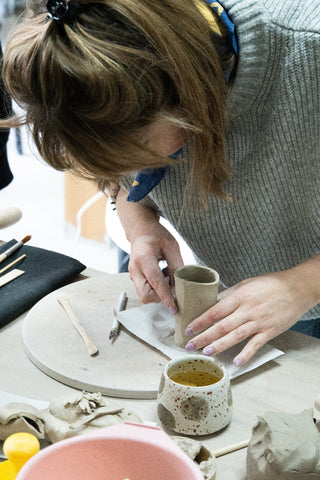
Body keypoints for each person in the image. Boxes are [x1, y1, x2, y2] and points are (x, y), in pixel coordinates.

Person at [0, 0, 319, 366]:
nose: (137, 170)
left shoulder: (309, 48)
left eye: (144, 159)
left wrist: (302, 285)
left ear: (185, 97)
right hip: (252, 298)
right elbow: (122, 182)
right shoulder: (120, 94)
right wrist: (140, 226)